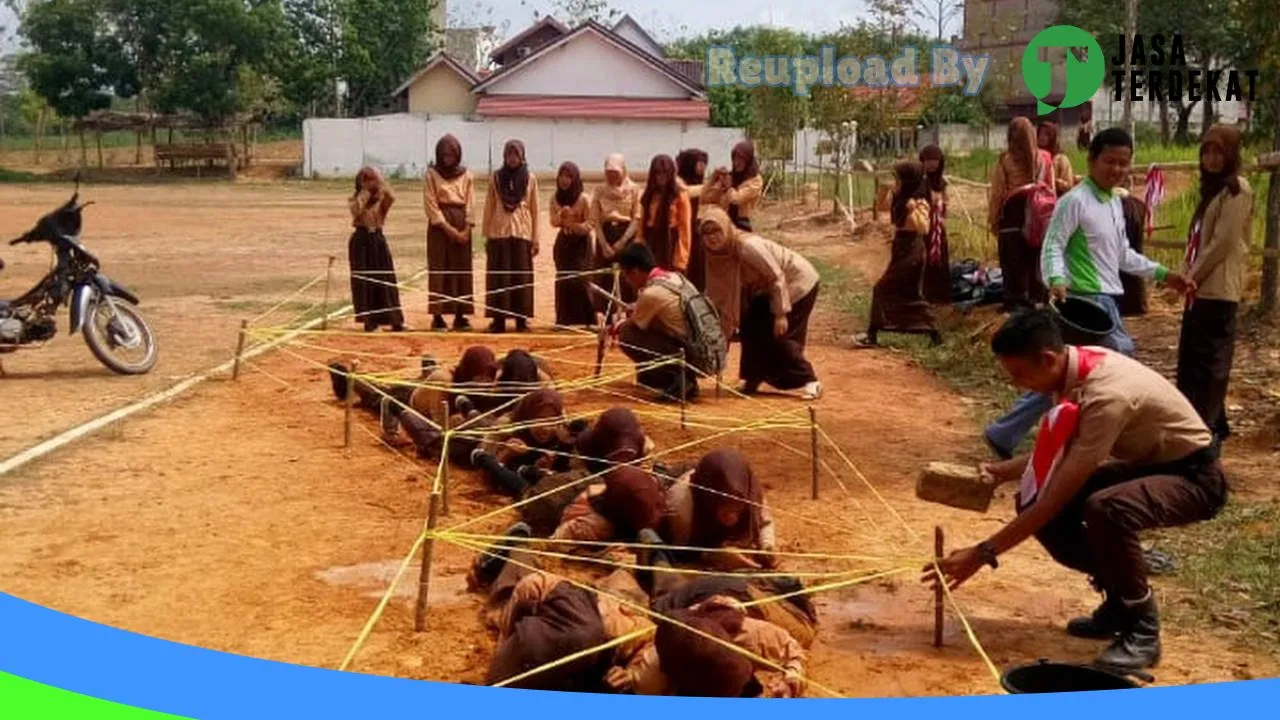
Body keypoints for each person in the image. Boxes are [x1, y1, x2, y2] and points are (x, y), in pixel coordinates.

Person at [926, 309, 1228, 671]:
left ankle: (1143, 630)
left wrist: (982, 552)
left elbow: (1058, 494)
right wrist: (1000, 472)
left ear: (1048, 358)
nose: (1017, 384)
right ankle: (1118, 600)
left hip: (1195, 478)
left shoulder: (1106, 396)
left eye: (1020, 374)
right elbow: (1060, 455)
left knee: (1108, 509)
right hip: (1150, 465)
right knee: (1032, 501)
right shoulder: (1073, 371)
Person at [982, 128, 1196, 459]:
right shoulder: (1075, 201)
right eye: (1109, 161)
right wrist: (1056, 279)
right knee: (1117, 357)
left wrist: (1165, 275)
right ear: (1092, 160)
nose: (1116, 169)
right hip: (1083, 302)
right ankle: (1105, 434)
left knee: (1070, 372)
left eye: (1123, 163)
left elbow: (1124, 255)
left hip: (1107, 301)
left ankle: (1006, 432)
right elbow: (1053, 243)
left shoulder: (1114, 203)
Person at [470, 531, 656, 693]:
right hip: (562, 601)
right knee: (507, 603)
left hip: (582, 605)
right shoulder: (648, 639)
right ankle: (514, 548)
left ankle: (517, 550)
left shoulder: (639, 642)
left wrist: (629, 674)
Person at [1177, 125, 1253, 445]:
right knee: (1193, 360)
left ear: (1231, 154)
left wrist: (1191, 275)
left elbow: (1222, 243)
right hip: (1199, 290)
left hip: (1217, 289)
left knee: (1211, 363)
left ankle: (1205, 431)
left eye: (1218, 152)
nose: (1211, 159)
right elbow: (1197, 239)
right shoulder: (1211, 190)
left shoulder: (1237, 189)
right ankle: (1206, 423)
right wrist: (1185, 273)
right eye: (1206, 152)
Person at [701, 207, 822, 401]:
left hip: (796, 282)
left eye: (716, 231)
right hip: (764, 290)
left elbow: (776, 276)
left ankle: (810, 380)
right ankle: (753, 379)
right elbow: (722, 294)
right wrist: (723, 332)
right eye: (706, 234)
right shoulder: (715, 255)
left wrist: (780, 313)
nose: (712, 238)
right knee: (749, 327)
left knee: (776, 333)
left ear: (726, 228)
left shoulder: (747, 246)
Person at [617, 603, 806, 697]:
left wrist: (790, 681)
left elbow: (792, 649)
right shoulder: (651, 680)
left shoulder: (747, 634)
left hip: (696, 604)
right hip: (672, 617)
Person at [853, 160, 942, 348]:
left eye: (899, 178)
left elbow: (924, 228)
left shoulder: (919, 199)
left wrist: (913, 210)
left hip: (913, 250)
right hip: (901, 247)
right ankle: (930, 330)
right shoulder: (900, 197)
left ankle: (874, 332)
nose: (897, 181)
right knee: (906, 293)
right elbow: (882, 207)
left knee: (884, 288)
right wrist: (884, 190)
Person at [613, 243, 699, 402]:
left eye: (626, 275)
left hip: (687, 353)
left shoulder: (651, 293)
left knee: (627, 335)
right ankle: (675, 378)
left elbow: (634, 325)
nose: (627, 280)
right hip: (698, 346)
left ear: (636, 271)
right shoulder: (675, 277)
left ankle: (677, 379)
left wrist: (615, 327)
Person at [989, 117, 1055, 311]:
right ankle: (1037, 298)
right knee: (1036, 256)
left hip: (1012, 213)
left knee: (1012, 259)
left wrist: (993, 220)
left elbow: (997, 193)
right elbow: (1050, 190)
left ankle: (1015, 299)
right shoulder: (1044, 158)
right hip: (1038, 214)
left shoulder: (1005, 160)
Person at [470, 389, 574, 497]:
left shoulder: (562, 433)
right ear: (527, 416)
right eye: (539, 420)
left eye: (551, 421)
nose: (546, 428)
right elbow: (486, 475)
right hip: (479, 440)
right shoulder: (507, 430)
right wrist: (507, 454)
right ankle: (471, 412)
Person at [483, 140, 539, 334]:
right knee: (499, 278)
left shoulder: (530, 179)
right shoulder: (496, 178)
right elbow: (489, 206)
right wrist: (487, 235)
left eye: (516, 155)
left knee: (521, 278)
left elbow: (535, 210)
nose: (512, 159)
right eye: (509, 155)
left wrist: (535, 238)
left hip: (522, 233)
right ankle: (498, 320)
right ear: (504, 157)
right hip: (499, 234)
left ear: (522, 156)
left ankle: (521, 320)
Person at [423, 135, 475, 331]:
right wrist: (447, 228)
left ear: (458, 154)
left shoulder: (467, 175)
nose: (447, 157)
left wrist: (467, 228)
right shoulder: (431, 174)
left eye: (451, 153)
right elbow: (430, 203)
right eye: (444, 154)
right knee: (439, 268)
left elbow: (471, 202)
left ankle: (460, 314)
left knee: (461, 269)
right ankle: (437, 315)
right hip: (439, 228)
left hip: (462, 222)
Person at [348, 167, 406, 332]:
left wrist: (380, 181)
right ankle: (369, 321)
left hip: (377, 240)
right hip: (361, 240)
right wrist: (365, 191)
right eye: (366, 179)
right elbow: (356, 211)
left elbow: (391, 197)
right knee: (365, 282)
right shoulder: (355, 199)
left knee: (386, 279)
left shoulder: (381, 200)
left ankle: (395, 320)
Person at [591, 154, 642, 312]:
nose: (612, 176)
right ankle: (607, 317)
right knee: (605, 277)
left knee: (628, 278)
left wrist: (623, 241)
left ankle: (627, 316)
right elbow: (596, 221)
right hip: (605, 235)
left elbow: (636, 218)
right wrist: (604, 244)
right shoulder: (599, 190)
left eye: (615, 172)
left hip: (626, 235)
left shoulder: (633, 189)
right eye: (609, 172)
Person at [550, 161, 597, 329]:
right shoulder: (555, 198)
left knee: (583, 280)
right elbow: (553, 222)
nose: (565, 180)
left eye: (569, 176)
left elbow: (591, 223)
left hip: (581, 244)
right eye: (562, 176)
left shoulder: (583, 198)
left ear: (575, 178)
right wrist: (561, 217)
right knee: (563, 279)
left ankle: (589, 321)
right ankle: (563, 320)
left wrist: (575, 226)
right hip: (564, 243)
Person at [637, 154, 693, 274]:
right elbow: (642, 223)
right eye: (658, 173)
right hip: (650, 240)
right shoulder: (649, 194)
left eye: (665, 173)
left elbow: (685, 228)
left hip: (669, 242)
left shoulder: (679, 194)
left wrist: (681, 260)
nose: (661, 177)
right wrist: (639, 245)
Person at [704, 141, 764, 232]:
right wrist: (714, 178)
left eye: (741, 159)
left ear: (748, 160)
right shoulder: (731, 176)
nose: (737, 163)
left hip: (742, 223)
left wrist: (728, 187)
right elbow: (707, 198)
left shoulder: (755, 180)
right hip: (724, 220)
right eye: (735, 159)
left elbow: (737, 199)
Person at [919, 145, 952, 305]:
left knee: (940, 260)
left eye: (936, 161)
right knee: (922, 261)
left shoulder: (942, 183)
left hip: (937, 229)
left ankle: (941, 296)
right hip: (921, 228)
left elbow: (946, 204)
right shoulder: (916, 180)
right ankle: (923, 295)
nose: (932, 164)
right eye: (929, 160)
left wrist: (941, 207)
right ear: (922, 161)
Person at [676, 148, 710, 291]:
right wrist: (711, 186)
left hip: (696, 227)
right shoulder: (678, 181)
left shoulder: (700, 180)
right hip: (681, 227)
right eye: (699, 163)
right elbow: (688, 192)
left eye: (704, 163)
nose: (702, 167)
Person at [1037, 120, 1076, 196]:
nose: (1042, 137)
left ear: (1052, 137)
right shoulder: (1036, 156)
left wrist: (1051, 180)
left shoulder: (1060, 159)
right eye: (1040, 134)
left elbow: (1068, 184)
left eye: (1046, 134)